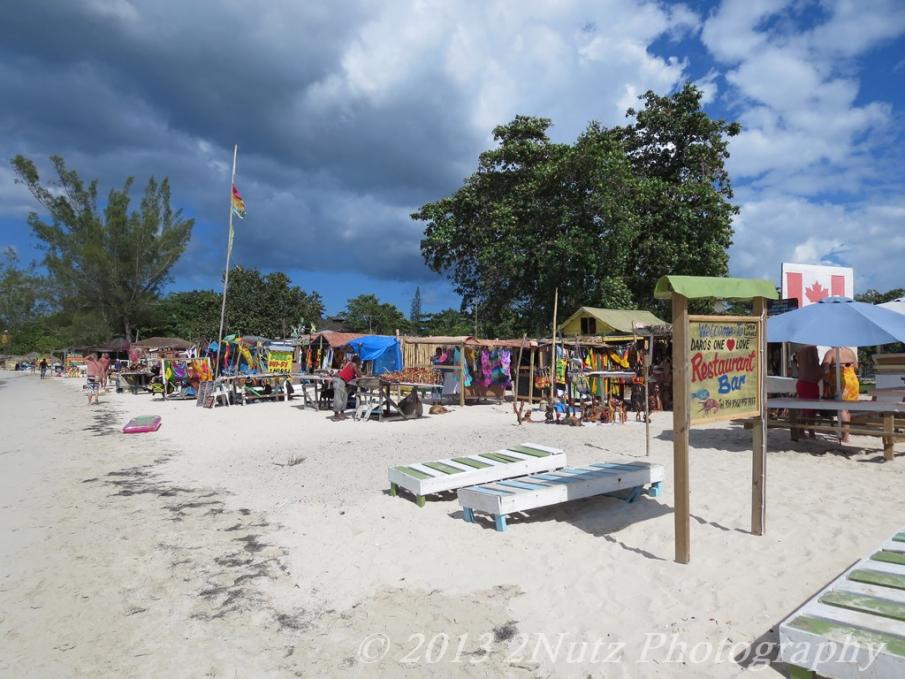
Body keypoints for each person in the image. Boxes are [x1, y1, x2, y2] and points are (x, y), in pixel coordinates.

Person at [821, 346, 859, 443]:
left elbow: (825, 370)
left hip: (840, 381)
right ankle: (846, 434)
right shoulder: (850, 351)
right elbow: (856, 367)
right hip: (852, 380)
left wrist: (827, 380)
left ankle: (845, 436)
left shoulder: (831, 352)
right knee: (848, 409)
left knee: (842, 408)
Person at [794, 345, 821, 439]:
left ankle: (802, 431)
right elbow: (814, 364)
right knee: (811, 410)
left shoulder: (800, 349)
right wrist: (823, 371)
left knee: (804, 409)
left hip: (801, 382)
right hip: (810, 383)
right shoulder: (812, 348)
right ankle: (810, 432)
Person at [332, 356, 361, 420]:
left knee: (344, 397)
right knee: (338, 398)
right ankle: (336, 414)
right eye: (359, 361)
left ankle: (342, 413)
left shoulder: (350, 364)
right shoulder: (353, 364)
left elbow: (353, 375)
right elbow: (359, 375)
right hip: (339, 380)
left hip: (343, 382)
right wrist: (360, 370)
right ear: (357, 361)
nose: (360, 363)